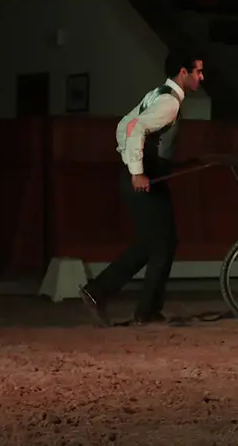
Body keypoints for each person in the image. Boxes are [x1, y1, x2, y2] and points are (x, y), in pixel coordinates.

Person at [78, 50, 205, 326]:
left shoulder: (158, 94)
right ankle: (122, 301)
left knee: (159, 243)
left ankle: (124, 302)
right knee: (160, 243)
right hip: (142, 180)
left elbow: (125, 125)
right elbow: (134, 129)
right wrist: (137, 172)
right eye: (198, 71)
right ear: (183, 73)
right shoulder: (169, 103)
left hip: (145, 176)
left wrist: (140, 165)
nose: (201, 77)